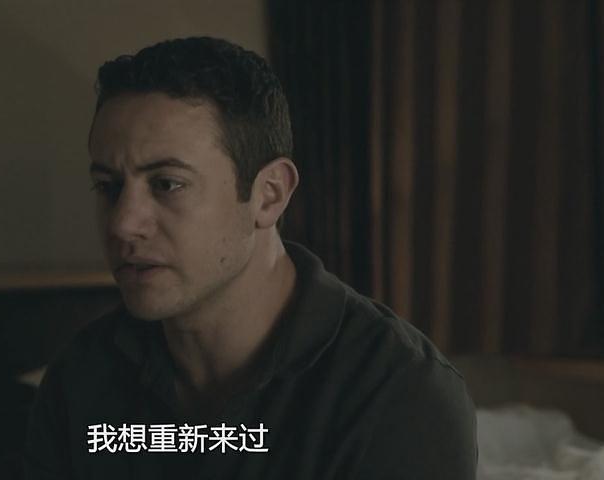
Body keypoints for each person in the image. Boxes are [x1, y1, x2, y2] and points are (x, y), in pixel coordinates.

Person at [26, 36, 477, 480]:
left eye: (167, 184)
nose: (123, 224)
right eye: (108, 187)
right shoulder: (81, 379)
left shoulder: (396, 396)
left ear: (269, 195)